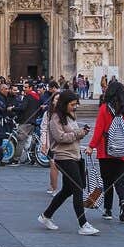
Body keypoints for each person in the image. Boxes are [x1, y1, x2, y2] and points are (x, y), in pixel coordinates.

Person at [37, 91, 96, 234]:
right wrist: (78, 133)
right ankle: (83, 224)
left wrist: (82, 132)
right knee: (77, 188)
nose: (74, 107)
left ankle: (46, 216)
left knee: (67, 190)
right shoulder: (55, 118)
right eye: (72, 104)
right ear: (64, 104)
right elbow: (60, 138)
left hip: (75, 155)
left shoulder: (70, 117)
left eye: (76, 104)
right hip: (63, 157)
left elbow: (73, 135)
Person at [88, 79, 124, 222]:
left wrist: (91, 146)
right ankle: (123, 201)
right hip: (123, 150)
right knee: (120, 181)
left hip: (106, 151)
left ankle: (108, 210)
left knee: (107, 180)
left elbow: (99, 130)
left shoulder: (104, 109)